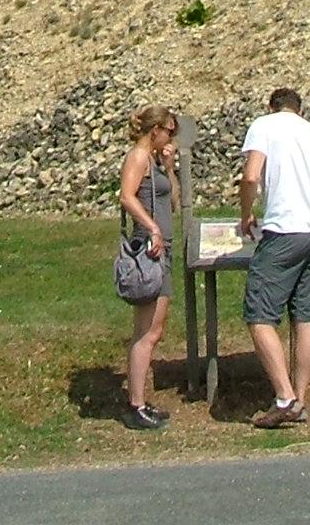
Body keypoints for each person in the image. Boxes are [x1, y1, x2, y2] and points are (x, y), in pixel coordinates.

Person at [238, 87, 310, 428]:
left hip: (284, 231)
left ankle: (284, 397)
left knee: (259, 314)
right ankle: (301, 399)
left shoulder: (264, 126)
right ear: (300, 109)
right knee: (305, 315)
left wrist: (246, 212)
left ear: (271, 106)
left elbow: (251, 175)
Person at [117, 104, 181, 431]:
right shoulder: (138, 158)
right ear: (154, 130)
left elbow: (173, 201)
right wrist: (152, 227)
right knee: (145, 331)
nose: (172, 137)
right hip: (150, 249)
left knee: (154, 331)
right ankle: (135, 405)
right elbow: (127, 196)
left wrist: (169, 167)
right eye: (169, 131)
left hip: (164, 250)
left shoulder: (155, 161)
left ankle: (140, 400)